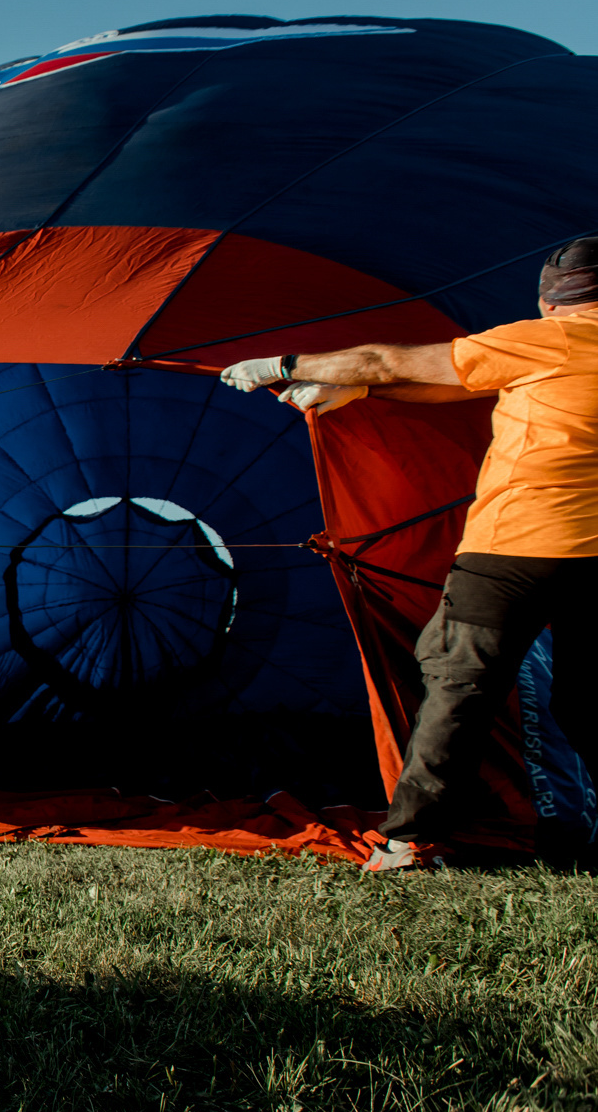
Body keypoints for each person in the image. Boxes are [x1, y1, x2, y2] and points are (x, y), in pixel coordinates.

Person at [219, 238, 598, 868]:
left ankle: (409, 839)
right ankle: (577, 829)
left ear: (552, 301)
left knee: (459, 685)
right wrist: (364, 396)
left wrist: (283, 362)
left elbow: (387, 359)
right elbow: (469, 385)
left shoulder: (553, 337)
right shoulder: (548, 358)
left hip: (517, 548)